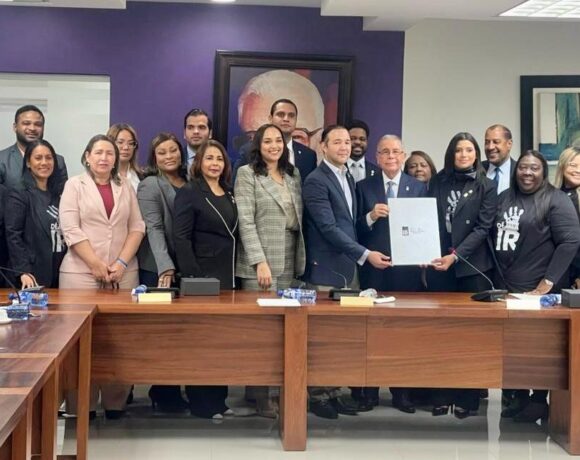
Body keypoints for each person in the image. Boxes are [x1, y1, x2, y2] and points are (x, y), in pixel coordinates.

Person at [302, 125, 391, 419]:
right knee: (321, 337)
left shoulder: (348, 177)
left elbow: (349, 225)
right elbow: (328, 228)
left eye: (347, 142)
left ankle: (333, 392)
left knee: (340, 337)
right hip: (326, 270)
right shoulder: (316, 181)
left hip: (347, 269)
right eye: (337, 142)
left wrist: (370, 218)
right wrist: (365, 254)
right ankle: (317, 396)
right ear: (323, 147)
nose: (344, 147)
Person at [59, 134, 145, 419]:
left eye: (110, 153)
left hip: (123, 274)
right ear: (87, 157)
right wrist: (95, 264)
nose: (104, 158)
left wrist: (120, 262)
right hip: (80, 273)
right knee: (80, 342)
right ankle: (81, 407)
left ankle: (115, 404)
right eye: (98, 152)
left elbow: (137, 227)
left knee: (119, 340)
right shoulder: (74, 185)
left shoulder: (125, 186)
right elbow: (70, 228)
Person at [494, 150, 580, 422]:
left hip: (539, 292)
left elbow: (570, 241)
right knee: (513, 348)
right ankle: (518, 397)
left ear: (543, 171)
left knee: (539, 349)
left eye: (534, 168)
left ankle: (538, 400)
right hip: (507, 289)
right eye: (523, 167)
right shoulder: (504, 198)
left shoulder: (556, 199)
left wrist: (548, 281)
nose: (527, 173)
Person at [235, 123, 305, 418]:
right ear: (258, 145)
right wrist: (258, 261)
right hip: (261, 262)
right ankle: (259, 395)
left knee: (282, 332)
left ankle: (276, 391)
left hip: (289, 256)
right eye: (268, 141)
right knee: (260, 334)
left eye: (278, 141)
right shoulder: (247, 174)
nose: (274, 146)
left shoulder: (293, 174)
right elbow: (246, 221)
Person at [427, 132, 498, 419]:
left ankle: (468, 398)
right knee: (441, 333)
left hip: (472, 267)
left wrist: (456, 255)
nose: (464, 155)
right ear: (451, 154)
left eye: (469, 150)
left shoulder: (487, 185)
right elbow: (427, 220)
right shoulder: (438, 181)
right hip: (439, 266)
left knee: (472, 336)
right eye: (458, 150)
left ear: (476, 154)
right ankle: (441, 395)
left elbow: (483, 228)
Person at [356, 134, 427, 414]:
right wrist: (371, 216)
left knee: (403, 332)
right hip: (374, 269)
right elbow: (355, 228)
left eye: (396, 151)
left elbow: (424, 226)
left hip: (407, 271)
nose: (391, 157)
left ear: (403, 155)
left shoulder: (418, 187)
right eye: (385, 152)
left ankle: (402, 392)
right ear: (377, 156)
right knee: (371, 331)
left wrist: (424, 254)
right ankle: (369, 391)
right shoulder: (364, 186)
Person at [173, 139, 238, 419]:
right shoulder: (190, 192)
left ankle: (219, 400)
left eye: (219, 159)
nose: (215, 164)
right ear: (199, 163)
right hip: (201, 275)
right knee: (201, 341)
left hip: (227, 275)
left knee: (222, 341)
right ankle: (201, 403)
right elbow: (181, 237)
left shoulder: (229, 192)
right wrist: (193, 276)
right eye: (209, 158)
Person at [5, 140, 66, 288]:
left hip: (60, 270)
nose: (44, 162)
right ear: (28, 163)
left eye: (49, 158)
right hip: (32, 274)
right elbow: (13, 235)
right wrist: (23, 271)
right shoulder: (19, 194)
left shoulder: (60, 193)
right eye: (38, 158)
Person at [137, 133, 187, 288]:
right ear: (154, 158)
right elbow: (154, 228)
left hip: (184, 264)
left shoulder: (191, 181)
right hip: (158, 267)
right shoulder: (149, 184)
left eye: (173, 150)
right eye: (162, 153)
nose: (169, 156)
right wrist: (165, 266)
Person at [234, 99, 317, 183]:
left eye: (291, 115)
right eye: (281, 114)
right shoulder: (249, 150)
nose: (286, 119)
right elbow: (237, 184)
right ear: (270, 118)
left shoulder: (309, 155)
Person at [0, 105, 68, 190]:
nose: (32, 128)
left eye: (38, 124)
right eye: (26, 123)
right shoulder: (2, 159)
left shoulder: (58, 161)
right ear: (15, 127)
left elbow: (63, 194)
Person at [555, 146, 580, 288]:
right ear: (562, 165)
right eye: (573, 165)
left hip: (575, 274)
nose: (578, 170)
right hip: (555, 272)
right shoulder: (553, 195)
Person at [107, 123, 143, 192]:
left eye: (130, 143)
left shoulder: (142, 177)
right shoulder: (102, 176)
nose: (126, 147)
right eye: (120, 142)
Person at [483, 124, 516, 194]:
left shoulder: (519, 171)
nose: (490, 147)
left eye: (496, 142)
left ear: (509, 144)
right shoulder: (477, 169)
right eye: (487, 142)